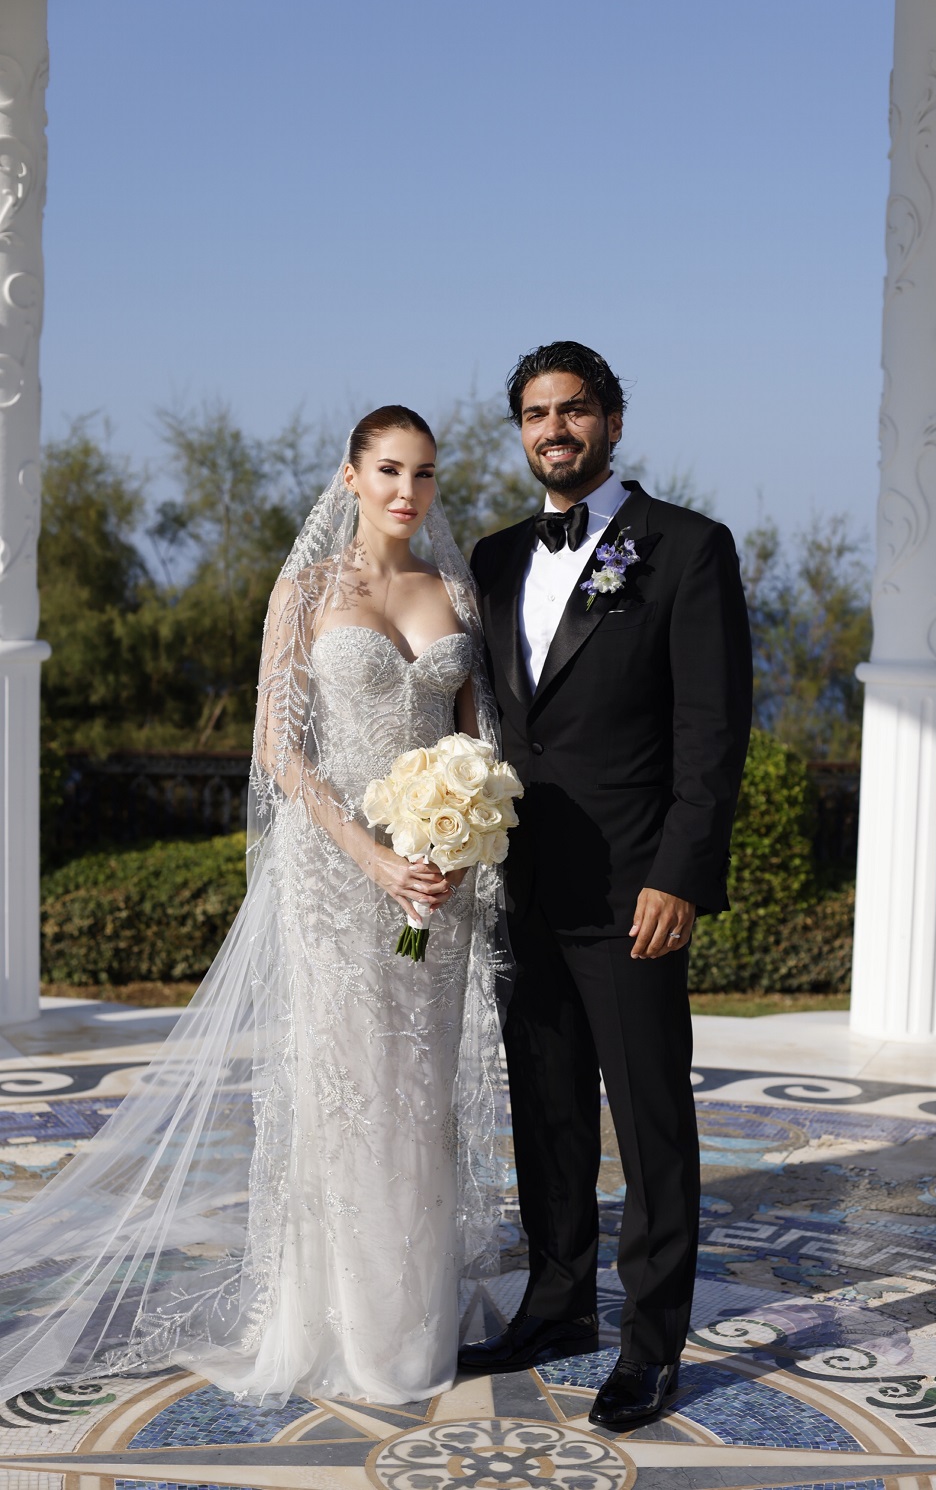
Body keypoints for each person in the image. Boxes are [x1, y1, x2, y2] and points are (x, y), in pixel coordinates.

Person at [0, 406, 504, 1407]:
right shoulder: (305, 591)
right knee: (352, 1088)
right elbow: (280, 748)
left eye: (425, 473)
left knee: (420, 1087)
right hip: (337, 875)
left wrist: (458, 835)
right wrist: (372, 857)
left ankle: (413, 1313)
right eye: (389, 470)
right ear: (350, 477)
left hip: (432, 882)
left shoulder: (453, 593)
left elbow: (473, 738)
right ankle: (349, 1327)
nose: (408, 491)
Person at [462, 343, 753, 1429]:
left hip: (635, 892)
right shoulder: (493, 558)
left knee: (650, 1123)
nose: (555, 429)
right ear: (521, 431)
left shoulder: (687, 547)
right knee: (545, 1116)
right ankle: (555, 1306)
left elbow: (711, 732)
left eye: (574, 409)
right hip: (522, 888)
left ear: (613, 421)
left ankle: (651, 1344)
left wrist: (680, 874)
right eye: (535, 413)